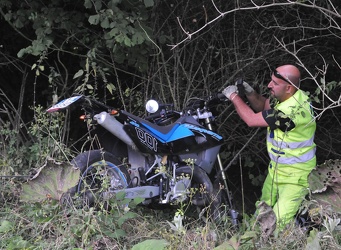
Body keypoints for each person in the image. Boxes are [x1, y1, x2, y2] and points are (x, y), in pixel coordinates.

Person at [222, 64, 316, 230]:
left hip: (296, 177)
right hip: (276, 171)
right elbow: (265, 107)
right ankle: (251, 241)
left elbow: (252, 119)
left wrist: (233, 97)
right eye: (271, 81)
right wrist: (250, 93)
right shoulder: (292, 96)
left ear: (288, 88)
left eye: (275, 83)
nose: (269, 85)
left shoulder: (291, 112)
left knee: (276, 225)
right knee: (262, 214)